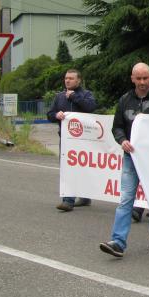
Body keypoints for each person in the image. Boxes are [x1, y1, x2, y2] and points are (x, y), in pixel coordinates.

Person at [99, 63, 149, 258]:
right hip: (131, 157)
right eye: (138, 78)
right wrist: (122, 141)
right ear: (132, 79)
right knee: (126, 200)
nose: (142, 82)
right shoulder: (124, 100)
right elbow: (117, 127)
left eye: (145, 78)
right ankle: (118, 242)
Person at [47, 68, 97, 211]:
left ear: (78, 80)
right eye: (66, 78)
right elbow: (49, 114)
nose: (67, 80)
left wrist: (74, 97)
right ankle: (68, 201)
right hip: (66, 140)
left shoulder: (86, 94)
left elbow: (91, 107)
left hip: (85, 140)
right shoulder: (59, 97)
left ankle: (85, 197)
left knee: (84, 169)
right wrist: (56, 115)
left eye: (71, 78)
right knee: (67, 169)